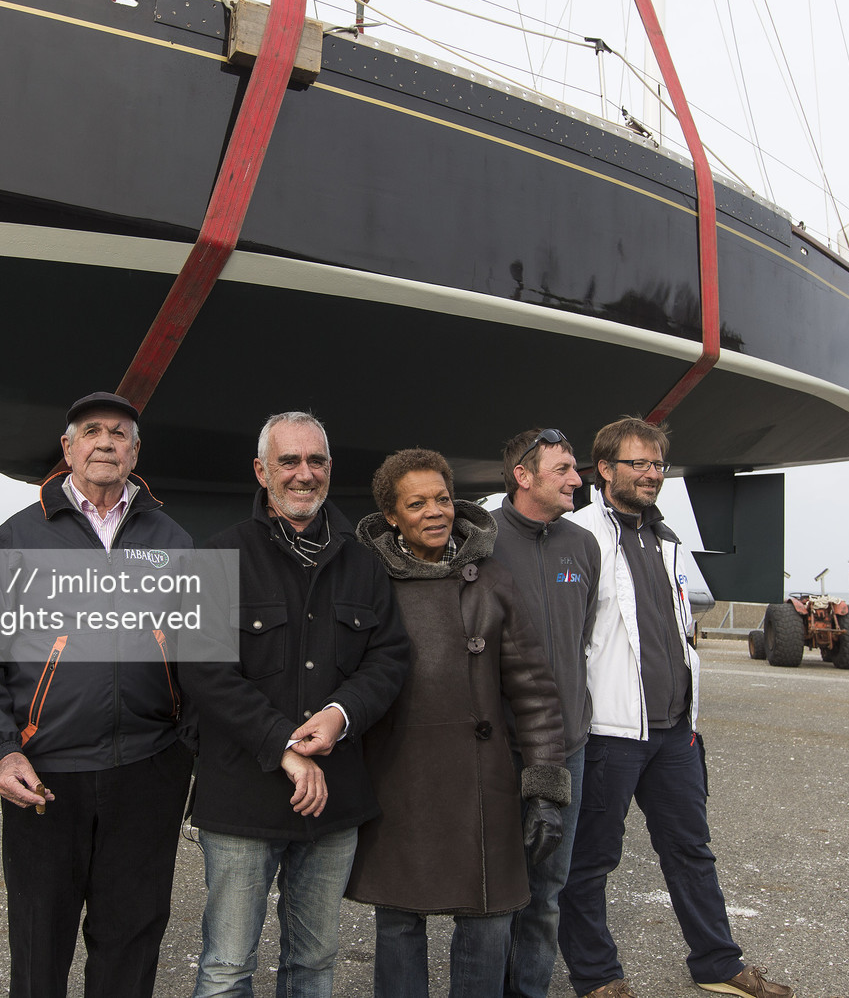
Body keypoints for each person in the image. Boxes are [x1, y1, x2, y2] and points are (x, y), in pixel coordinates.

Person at [0, 391, 195, 998]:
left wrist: (186, 750)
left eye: (119, 433)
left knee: (132, 934)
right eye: (91, 431)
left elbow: (205, 660)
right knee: (40, 934)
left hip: (147, 770)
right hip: (45, 771)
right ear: (68, 448)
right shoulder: (18, 538)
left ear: (136, 451)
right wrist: (5, 750)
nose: (104, 441)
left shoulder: (173, 539)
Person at [559, 417, 793, 998]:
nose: (651, 474)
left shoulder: (667, 541)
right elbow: (563, 636)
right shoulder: (578, 534)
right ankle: (596, 976)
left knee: (691, 851)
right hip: (612, 731)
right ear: (604, 469)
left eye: (658, 465)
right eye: (637, 464)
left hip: (675, 732)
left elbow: (681, 628)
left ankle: (717, 961)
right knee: (591, 860)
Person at [182, 411, 411, 998]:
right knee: (227, 965)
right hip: (242, 799)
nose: (303, 474)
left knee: (314, 964)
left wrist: (339, 716)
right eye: (289, 461)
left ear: (330, 470)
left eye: (315, 461)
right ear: (262, 471)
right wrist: (284, 743)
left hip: (333, 802)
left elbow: (388, 660)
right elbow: (204, 672)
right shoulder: (217, 556)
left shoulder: (365, 564)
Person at [347, 447, 571, 998]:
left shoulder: (492, 579)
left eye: (443, 498)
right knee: (399, 922)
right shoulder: (366, 583)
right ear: (392, 516)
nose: (435, 511)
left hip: (483, 781)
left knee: (488, 921)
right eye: (416, 502)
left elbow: (535, 691)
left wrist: (544, 787)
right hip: (397, 780)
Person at [490, 428, 599, 998]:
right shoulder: (482, 541)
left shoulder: (583, 545)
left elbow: (582, 638)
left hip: (566, 747)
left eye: (574, 469)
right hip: (500, 745)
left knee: (548, 887)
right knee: (496, 886)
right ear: (524, 476)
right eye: (563, 470)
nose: (577, 480)